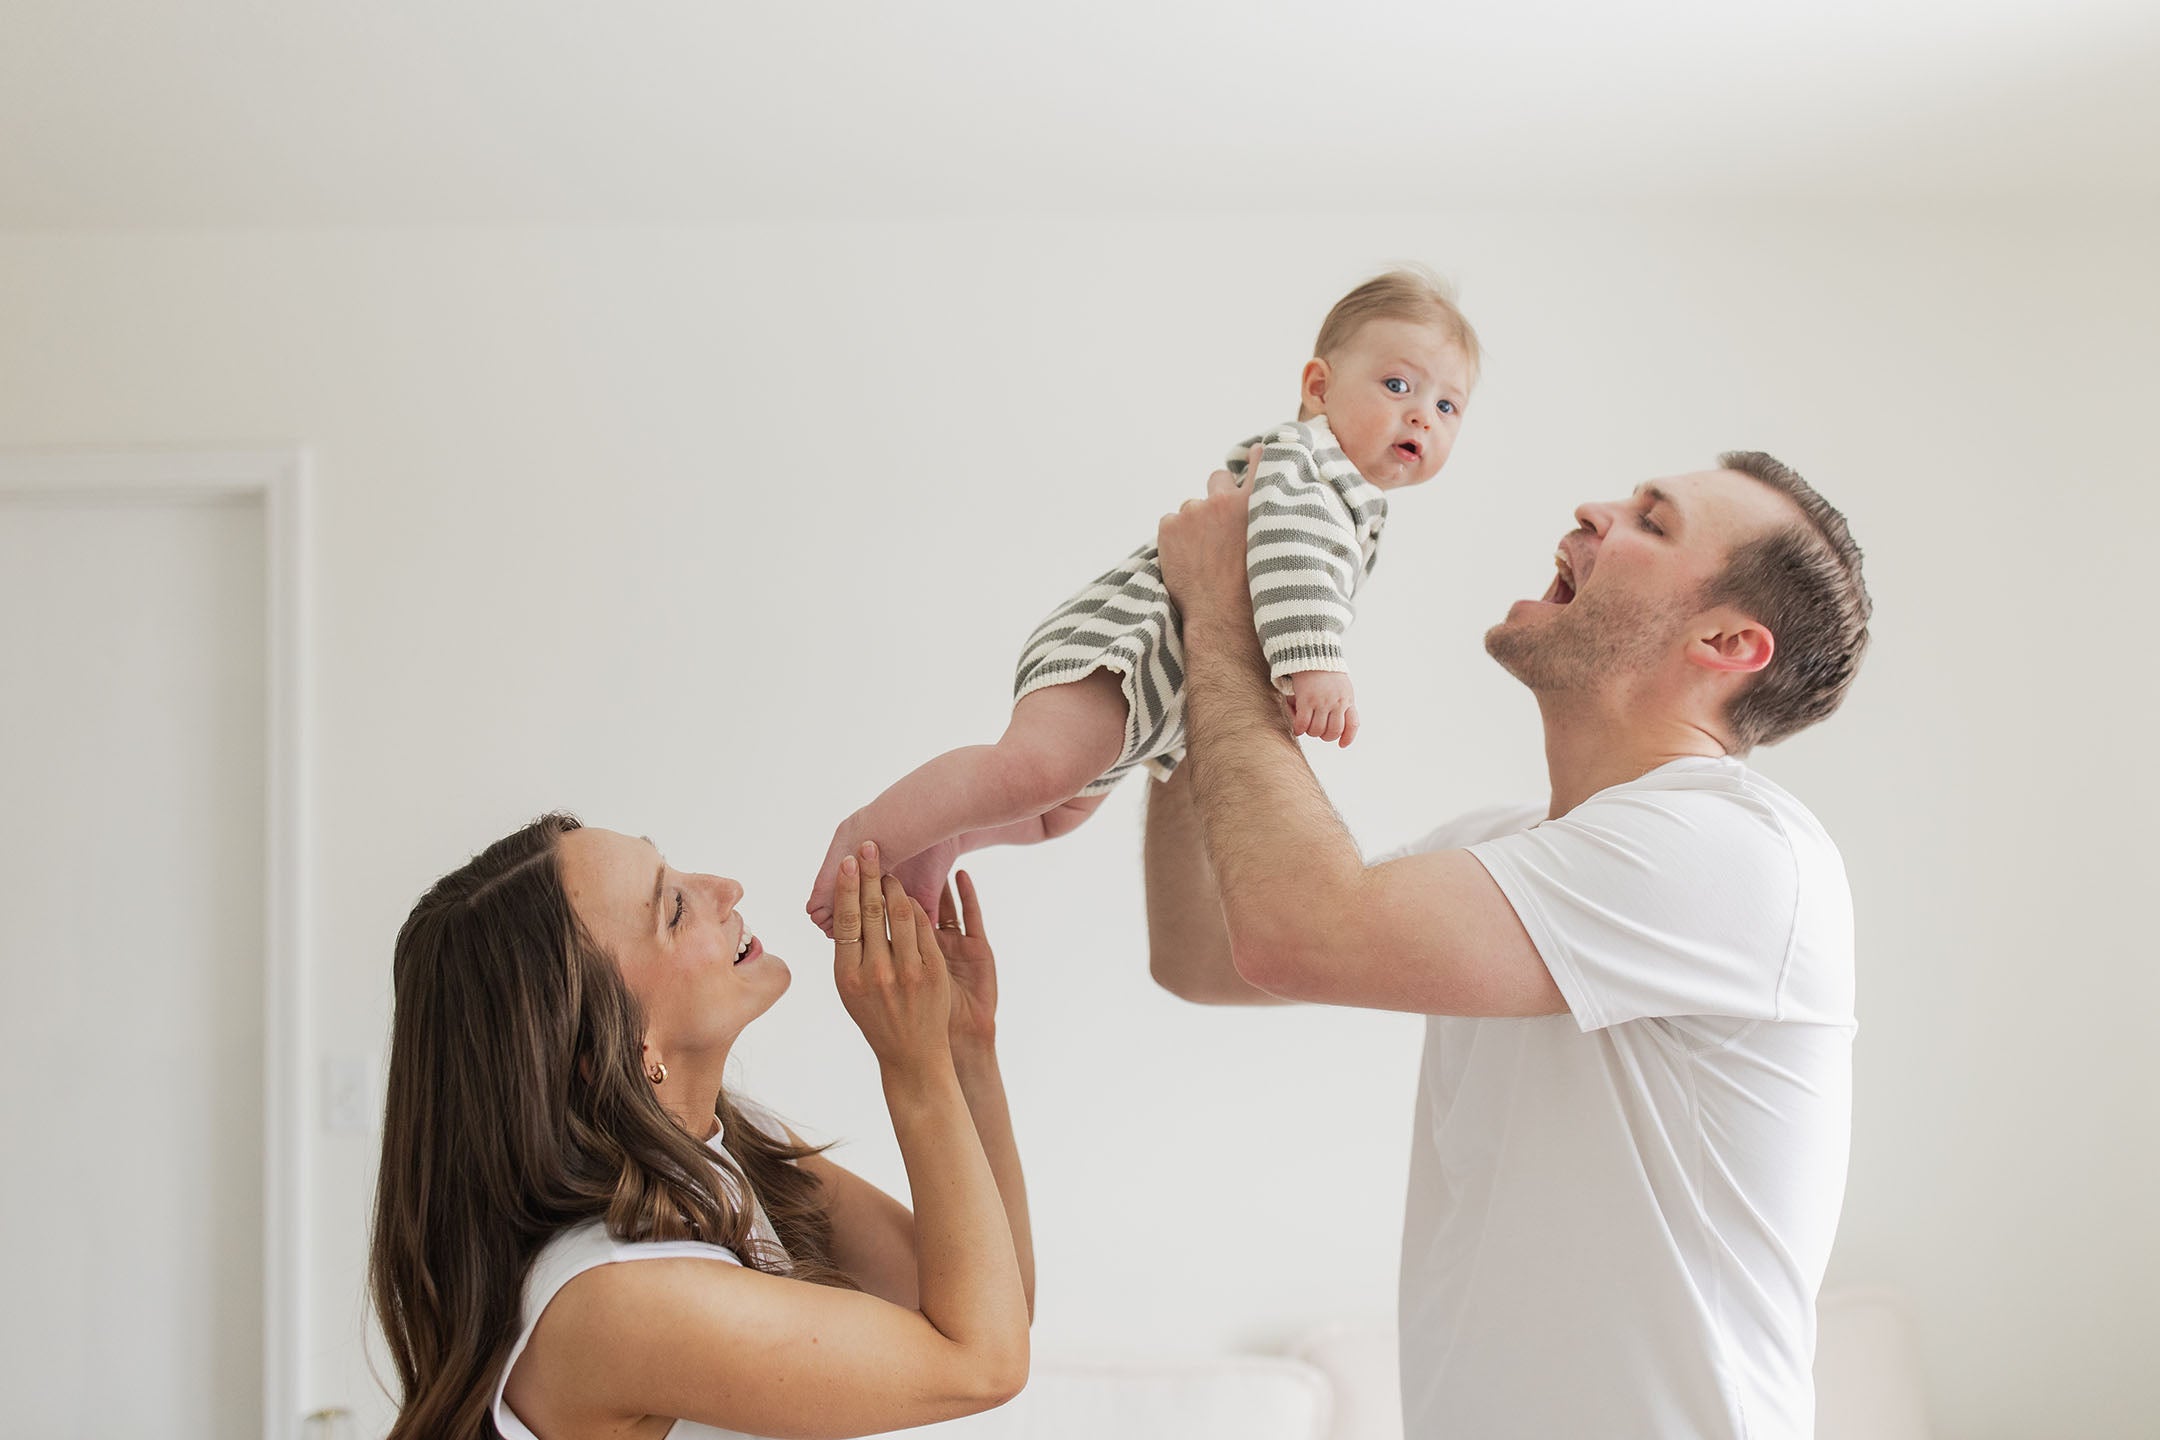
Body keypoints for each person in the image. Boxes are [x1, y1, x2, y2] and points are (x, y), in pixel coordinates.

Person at [1147, 451, 1871, 1440]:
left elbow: (1295, 931)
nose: (1595, 509)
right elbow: (1208, 953)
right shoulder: (1501, 850)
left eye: (1652, 523)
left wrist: (1223, 617)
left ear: (1727, 642)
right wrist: (1202, 659)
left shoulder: (1735, 850)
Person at [807, 269, 1480, 933]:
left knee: (1053, 814)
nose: (1422, 413)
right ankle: (868, 833)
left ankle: (942, 839)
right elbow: (1288, 555)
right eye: (1398, 385)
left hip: (1153, 701)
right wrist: (1315, 660)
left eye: (1448, 406)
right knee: (1033, 771)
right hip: (1122, 651)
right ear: (1319, 387)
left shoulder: (1353, 502)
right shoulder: (1310, 464)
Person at [369, 820, 1032, 1440]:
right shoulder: (615, 1297)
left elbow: (1000, 1304)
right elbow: (981, 1364)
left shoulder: (722, 1149)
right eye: (674, 909)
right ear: (621, 1045)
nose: (725, 889)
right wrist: (913, 1066)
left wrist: (965, 1045)